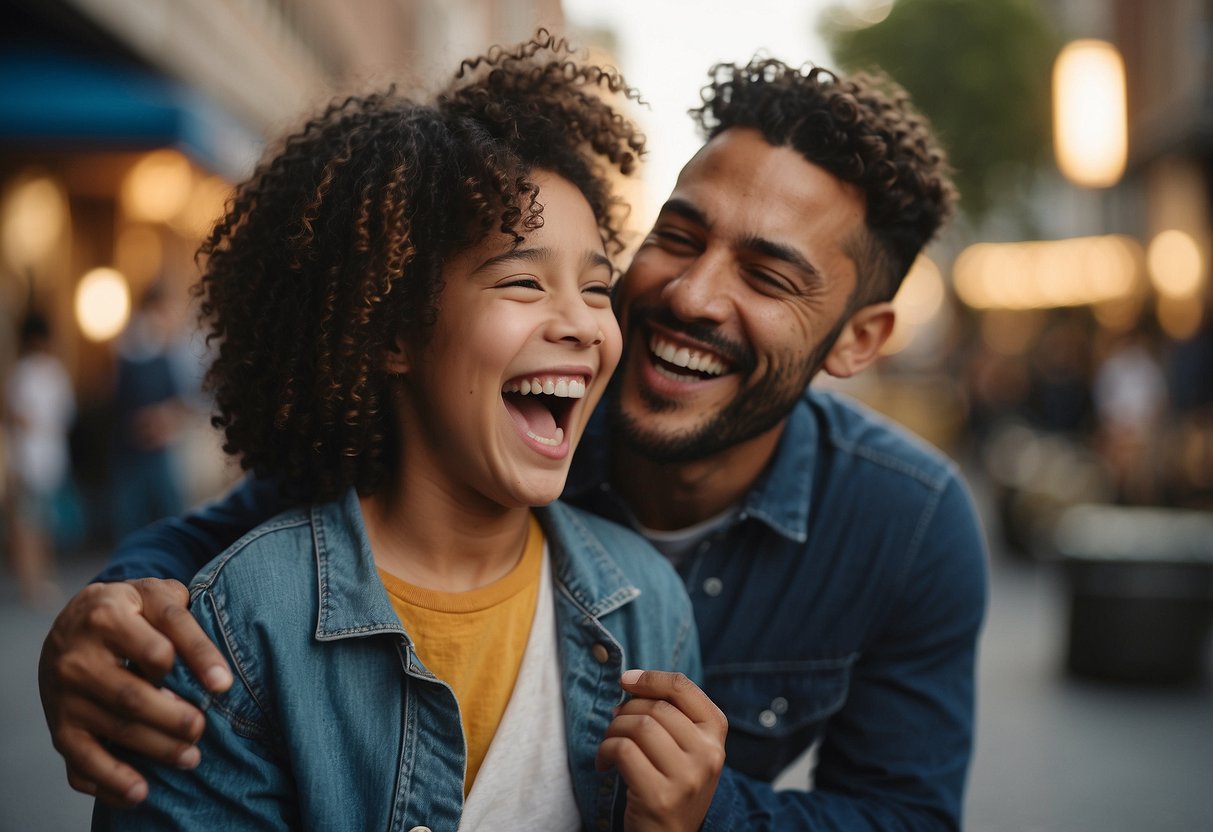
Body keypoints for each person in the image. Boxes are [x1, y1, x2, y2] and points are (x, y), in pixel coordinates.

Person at [43, 53, 987, 830]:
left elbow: (903, 816)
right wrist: (108, 612)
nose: (693, 296)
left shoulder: (907, 522)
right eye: (678, 236)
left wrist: (704, 817)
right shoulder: (490, 414)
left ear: (857, 340)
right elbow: (263, 541)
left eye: (768, 276)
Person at [88, 34, 720, 831]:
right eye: (523, 281)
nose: (582, 325)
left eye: (596, 287)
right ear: (390, 332)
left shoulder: (648, 609)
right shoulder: (239, 632)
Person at [4, 312, 74, 606]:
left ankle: (32, 580)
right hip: (47, 458)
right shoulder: (54, 372)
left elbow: (13, 416)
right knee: (38, 523)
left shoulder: (22, 373)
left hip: (30, 459)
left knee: (30, 524)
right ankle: (37, 579)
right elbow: (66, 415)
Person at [109, 282, 188, 539]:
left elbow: (177, 400)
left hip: (157, 448)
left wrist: (165, 421)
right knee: (135, 518)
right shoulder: (131, 352)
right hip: (134, 449)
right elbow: (119, 404)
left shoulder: (164, 353)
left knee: (166, 512)